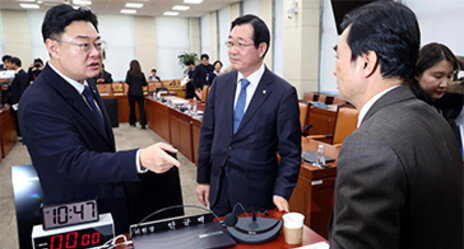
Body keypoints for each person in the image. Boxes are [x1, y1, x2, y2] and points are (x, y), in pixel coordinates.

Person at [18, 4, 180, 234]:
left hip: (107, 203)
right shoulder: (38, 101)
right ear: (53, 47)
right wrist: (138, 159)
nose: (95, 53)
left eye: (97, 44)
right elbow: (73, 163)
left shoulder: (87, 84)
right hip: (78, 217)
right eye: (84, 45)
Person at [328, 1, 463, 249]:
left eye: (339, 57)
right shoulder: (435, 121)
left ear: (367, 62)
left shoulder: (368, 145)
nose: (335, 69)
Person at [196, 14, 301, 216]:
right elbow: (207, 135)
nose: (232, 51)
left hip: (256, 193)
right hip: (219, 189)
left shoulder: (282, 92)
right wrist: (203, 179)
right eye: (230, 43)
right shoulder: (220, 84)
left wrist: (282, 191)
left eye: (241, 44)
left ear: (261, 48)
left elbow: (291, 152)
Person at [412, 43, 463, 156]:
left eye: (450, 76)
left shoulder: (446, 104)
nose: (444, 84)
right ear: (417, 74)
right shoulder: (409, 108)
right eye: (438, 76)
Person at [8, 56, 29, 136]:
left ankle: (25, 136)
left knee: (23, 120)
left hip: (20, 102)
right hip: (16, 102)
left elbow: (23, 89)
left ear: (14, 64)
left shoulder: (22, 74)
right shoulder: (16, 74)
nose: (8, 66)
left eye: (9, 64)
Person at [125, 59, 148, 129]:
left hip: (131, 93)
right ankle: (143, 124)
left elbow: (127, 81)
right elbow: (145, 83)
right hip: (140, 93)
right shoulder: (141, 74)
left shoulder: (129, 73)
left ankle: (133, 122)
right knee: (141, 109)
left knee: (132, 108)